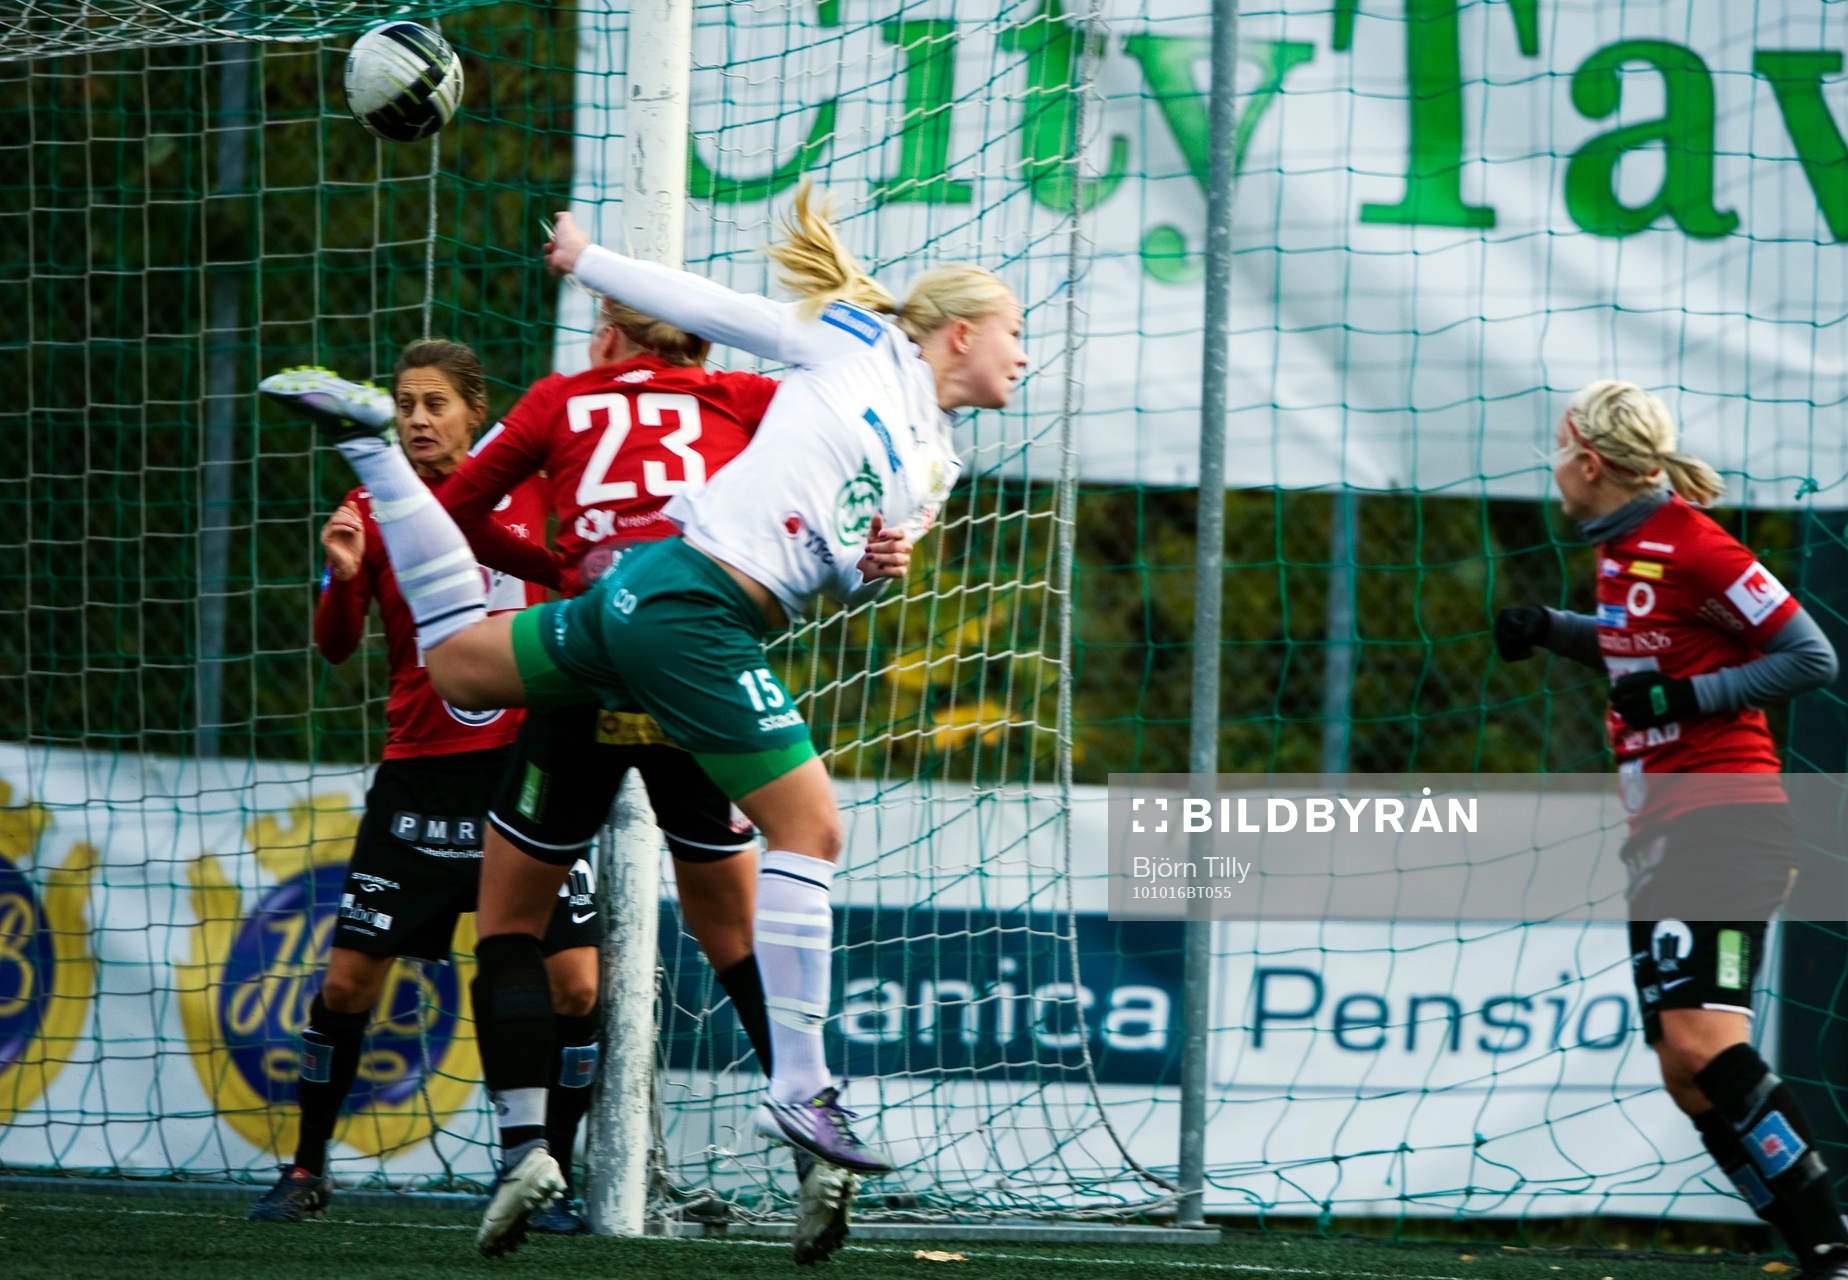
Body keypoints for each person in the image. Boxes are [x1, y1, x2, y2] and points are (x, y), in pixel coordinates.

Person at [258, 182, 1026, 1258]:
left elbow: (847, 565)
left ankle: (374, 451)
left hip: (636, 601)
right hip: (692, 614)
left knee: (457, 660)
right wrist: (588, 256)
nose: (1023, 355)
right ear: (958, 331)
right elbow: (714, 304)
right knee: (810, 831)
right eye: (1015, 332)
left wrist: (871, 563)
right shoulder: (853, 345)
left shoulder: (935, 457)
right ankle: (805, 1092)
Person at [427, 297, 854, 1257]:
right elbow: (827, 459)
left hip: (589, 651)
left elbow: (456, 509)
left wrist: (551, 564)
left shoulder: (561, 397)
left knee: (508, 921)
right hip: (689, 665)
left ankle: (528, 1146)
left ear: (612, 335)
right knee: (736, 931)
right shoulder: (745, 393)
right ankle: (810, 1144)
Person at [247, 340, 603, 1231]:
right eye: (405, 403)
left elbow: (573, 578)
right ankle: (305, 1168)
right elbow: (335, 645)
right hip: (419, 778)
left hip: (524, 771)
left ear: (475, 412)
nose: (416, 419)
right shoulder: (371, 504)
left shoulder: (531, 492)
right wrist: (341, 574)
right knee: (347, 984)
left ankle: (541, 1175)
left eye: (434, 402)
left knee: (576, 990)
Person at [1495, 380, 1846, 1279]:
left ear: (1590, 462)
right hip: (1663, 830)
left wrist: (1688, 699)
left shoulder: (1692, 542)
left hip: (1723, 816)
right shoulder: (1619, 549)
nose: (1554, 468)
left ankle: (1835, 1251)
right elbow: (1643, 652)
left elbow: (1811, 656)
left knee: (1703, 1047)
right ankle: (1816, 1249)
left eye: (1558, 449)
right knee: (1683, 1072)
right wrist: (1552, 629)